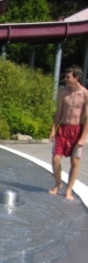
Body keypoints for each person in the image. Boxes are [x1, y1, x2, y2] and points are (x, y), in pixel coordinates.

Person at [48, 65, 88, 200]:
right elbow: (58, 112)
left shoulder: (85, 94)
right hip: (63, 129)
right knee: (55, 159)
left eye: (68, 77)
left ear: (76, 78)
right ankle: (58, 184)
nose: (65, 79)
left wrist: (83, 138)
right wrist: (53, 128)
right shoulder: (63, 92)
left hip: (77, 130)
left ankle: (69, 190)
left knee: (75, 162)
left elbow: (87, 117)